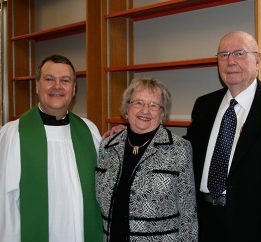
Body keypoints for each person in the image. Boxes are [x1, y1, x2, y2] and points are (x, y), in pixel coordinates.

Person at [186, 31, 261, 242]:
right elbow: (183, 151)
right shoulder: (204, 105)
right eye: (223, 54)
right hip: (204, 222)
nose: (230, 61)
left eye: (239, 53)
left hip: (258, 228)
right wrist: (134, 133)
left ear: (257, 61)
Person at [0, 54, 103, 242]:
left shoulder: (89, 130)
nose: (57, 86)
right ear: (37, 86)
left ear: (73, 89)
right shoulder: (14, 134)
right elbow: (5, 203)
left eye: (65, 81)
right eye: (49, 79)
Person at [95, 77, 198, 241]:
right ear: (127, 108)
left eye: (153, 105)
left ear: (162, 113)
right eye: (138, 103)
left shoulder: (179, 149)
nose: (145, 110)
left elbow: (188, 213)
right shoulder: (107, 146)